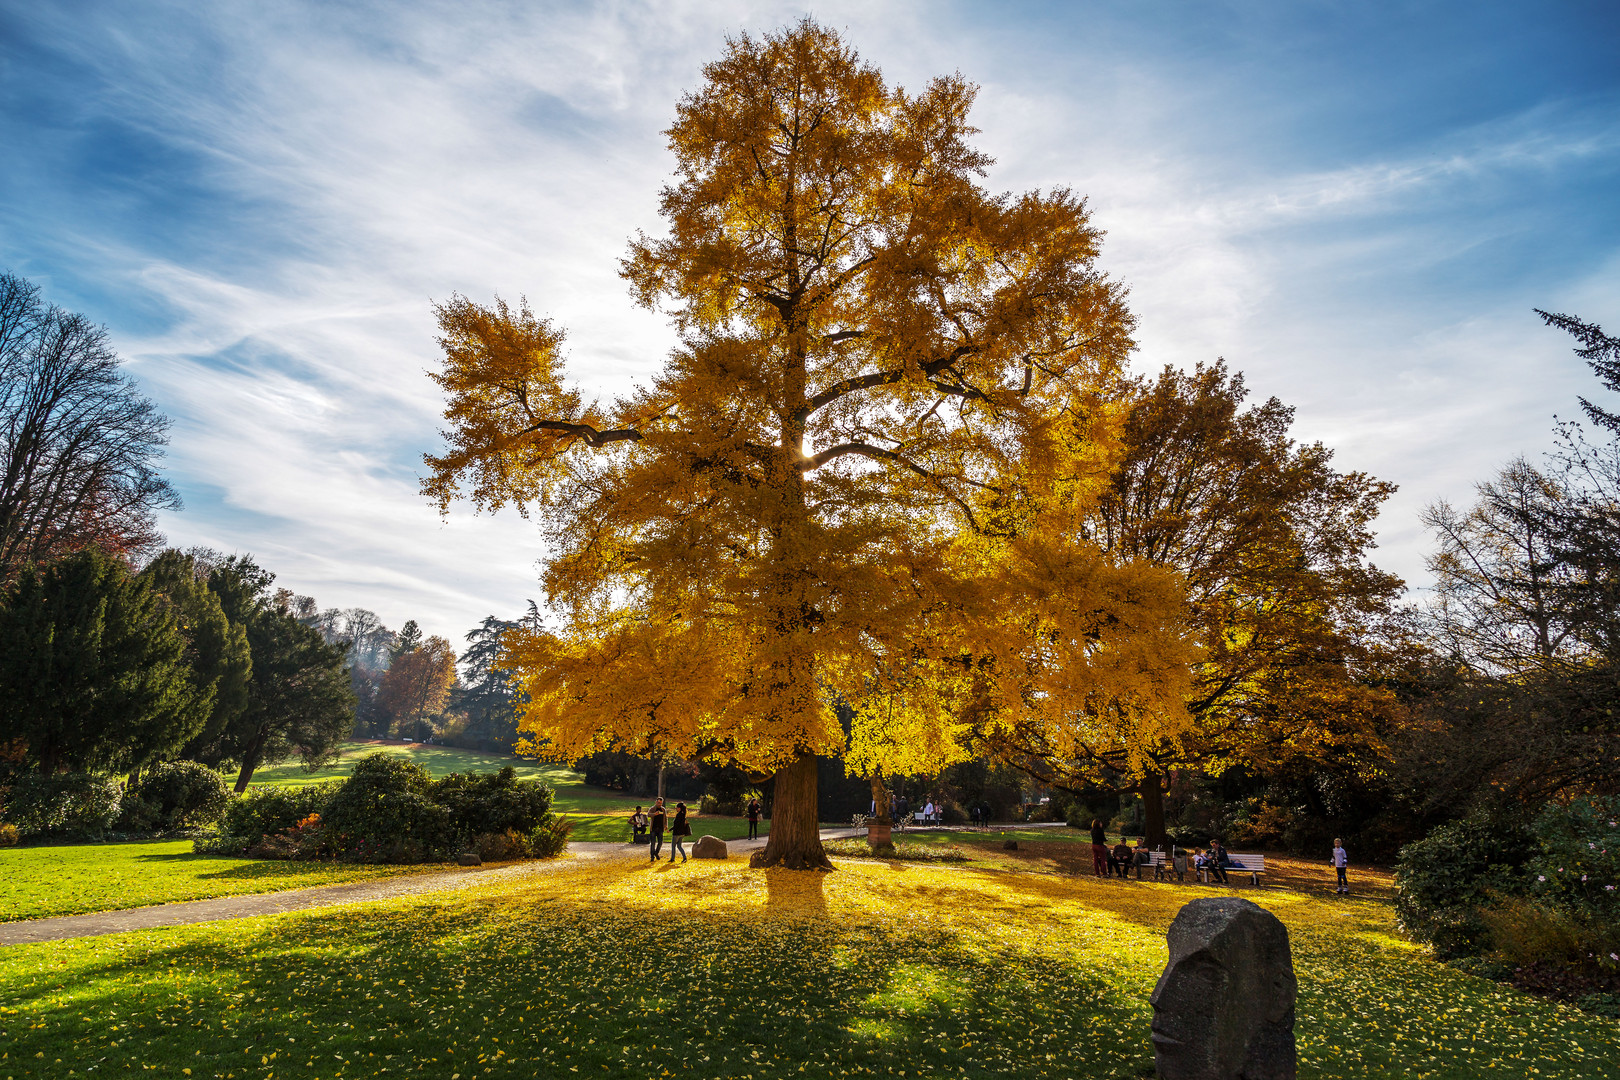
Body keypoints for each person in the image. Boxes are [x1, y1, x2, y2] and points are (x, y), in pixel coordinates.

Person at [649, 798, 667, 862]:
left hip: (660, 829)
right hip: (653, 828)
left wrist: (665, 825)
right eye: (659, 803)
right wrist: (654, 814)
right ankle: (652, 856)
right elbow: (648, 814)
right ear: (656, 802)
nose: (660, 804)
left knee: (660, 843)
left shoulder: (663, 809)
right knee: (653, 843)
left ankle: (656, 853)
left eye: (661, 803)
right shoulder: (652, 808)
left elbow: (665, 818)